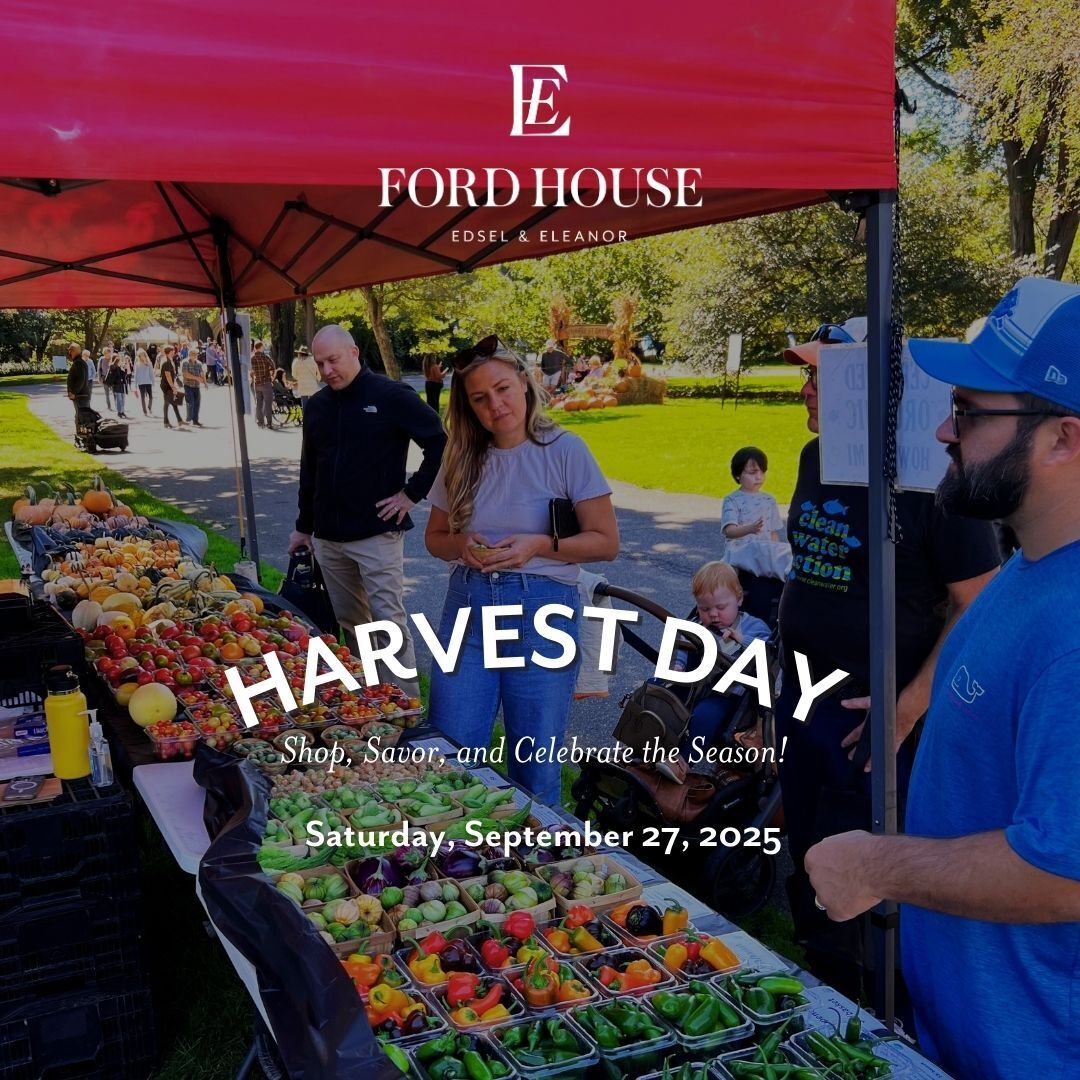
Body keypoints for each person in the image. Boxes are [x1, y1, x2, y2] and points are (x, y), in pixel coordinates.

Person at [807, 279, 1080, 1078]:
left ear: (1063, 439)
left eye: (969, 412)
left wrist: (876, 865)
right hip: (971, 1036)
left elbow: (1064, 869)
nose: (941, 430)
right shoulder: (1031, 571)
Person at [775, 317, 1000, 999]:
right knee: (811, 858)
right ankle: (817, 987)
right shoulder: (818, 460)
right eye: (808, 374)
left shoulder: (933, 482)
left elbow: (978, 604)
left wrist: (906, 708)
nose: (806, 390)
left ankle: (876, 1015)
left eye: (820, 376)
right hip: (805, 702)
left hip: (877, 722)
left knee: (871, 882)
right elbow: (811, 572)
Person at [424, 335, 619, 804]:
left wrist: (541, 545)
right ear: (468, 407)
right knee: (450, 758)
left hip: (542, 613)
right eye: (480, 398)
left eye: (503, 388)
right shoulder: (460, 457)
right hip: (468, 609)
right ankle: (459, 863)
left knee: (534, 767)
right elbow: (434, 539)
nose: (495, 404)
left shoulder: (566, 450)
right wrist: (461, 545)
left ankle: (537, 868)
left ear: (525, 385)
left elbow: (605, 542)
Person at [287, 324, 447, 699]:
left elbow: (439, 441)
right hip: (328, 537)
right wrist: (303, 527)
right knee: (352, 625)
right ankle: (370, 697)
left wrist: (411, 495)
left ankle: (403, 703)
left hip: (377, 533)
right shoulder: (318, 406)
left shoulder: (391, 395)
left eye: (333, 360)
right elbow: (309, 468)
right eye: (320, 363)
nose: (327, 370)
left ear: (355, 352)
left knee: (387, 622)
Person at [657, 561, 771, 783]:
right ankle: (642, 743)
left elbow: (767, 651)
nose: (713, 615)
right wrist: (677, 665)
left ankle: (683, 762)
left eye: (720, 608)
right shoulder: (697, 624)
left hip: (727, 693)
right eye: (705, 609)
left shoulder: (751, 626)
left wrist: (742, 639)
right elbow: (681, 643)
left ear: (739, 599)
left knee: (704, 716)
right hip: (692, 683)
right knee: (658, 692)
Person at [720, 446, 789, 624]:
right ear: (738, 475)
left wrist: (776, 550)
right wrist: (749, 529)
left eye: (761, 472)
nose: (758, 477)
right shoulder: (732, 500)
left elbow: (773, 533)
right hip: (740, 552)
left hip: (763, 553)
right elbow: (729, 531)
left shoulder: (769, 500)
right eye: (752, 473)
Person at [250, 340, 275, 428]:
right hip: (266, 383)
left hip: (257, 383)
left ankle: (260, 422)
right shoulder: (265, 357)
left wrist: (254, 377)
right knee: (268, 404)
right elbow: (273, 367)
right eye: (263, 346)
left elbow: (251, 371)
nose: (264, 348)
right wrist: (271, 377)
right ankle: (269, 423)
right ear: (260, 347)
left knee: (258, 403)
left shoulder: (252, 358)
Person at [159, 345, 185, 429]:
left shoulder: (169, 360)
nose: (174, 352)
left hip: (168, 384)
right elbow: (168, 376)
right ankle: (166, 422)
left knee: (174, 402)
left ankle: (179, 420)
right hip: (166, 385)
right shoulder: (166, 362)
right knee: (167, 403)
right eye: (172, 351)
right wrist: (173, 387)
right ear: (169, 352)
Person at [181, 347, 206, 426]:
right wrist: (197, 378)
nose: (195, 356)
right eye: (193, 354)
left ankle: (195, 420)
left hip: (196, 386)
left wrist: (205, 382)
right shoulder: (185, 362)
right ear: (189, 354)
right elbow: (185, 374)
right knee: (190, 402)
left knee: (197, 404)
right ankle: (188, 419)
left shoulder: (199, 363)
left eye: (196, 354)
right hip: (188, 385)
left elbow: (202, 373)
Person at [291, 344, 321, 410]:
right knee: (313, 403)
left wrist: (299, 378)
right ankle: (314, 417)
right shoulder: (313, 361)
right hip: (312, 385)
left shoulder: (296, 362)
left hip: (302, 386)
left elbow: (294, 375)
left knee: (304, 404)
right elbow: (318, 373)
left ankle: (306, 418)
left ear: (300, 353)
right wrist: (318, 379)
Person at [65, 343, 91, 416]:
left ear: (73, 351)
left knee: (82, 418)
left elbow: (81, 380)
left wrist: (73, 392)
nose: (69, 353)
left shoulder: (79, 363)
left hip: (80, 396)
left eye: (70, 350)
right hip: (80, 396)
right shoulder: (79, 362)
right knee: (81, 417)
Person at [105, 350, 130, 418]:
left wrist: (124, 368)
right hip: (116, 386)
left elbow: (124, 375)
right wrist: (117, 364)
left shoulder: (119, 367)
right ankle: (119, 412)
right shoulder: (113, 367)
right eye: (118, 359)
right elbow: (113, 371)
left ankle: (122, 411)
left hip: (122, 385)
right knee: (119, 399)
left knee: (122, 399)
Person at [133, 349, 154, 415]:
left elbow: (151, 373)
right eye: (140, 356)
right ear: (139, 356)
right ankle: (144, 411)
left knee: (151, 397)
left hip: (148, 382)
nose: (142, 357)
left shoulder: (149, 363)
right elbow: (136, 374)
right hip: (141, 383)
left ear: (145, 355)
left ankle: (149, 407)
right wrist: (135, 385)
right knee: (142, 397)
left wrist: (153, 381)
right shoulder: (137, 364)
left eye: (143, 355)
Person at [98, 346, 114, 411]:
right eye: (106, 353)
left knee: (114, 392)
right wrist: (99, 378)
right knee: (107, 393)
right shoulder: (101, 359)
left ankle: (117, 405)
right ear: (104, 353)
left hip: (112, 377)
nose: (107, 354)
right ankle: (109, 406)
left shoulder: (112, 358)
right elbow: (99, 369)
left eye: (108, 353)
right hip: (104, 377)